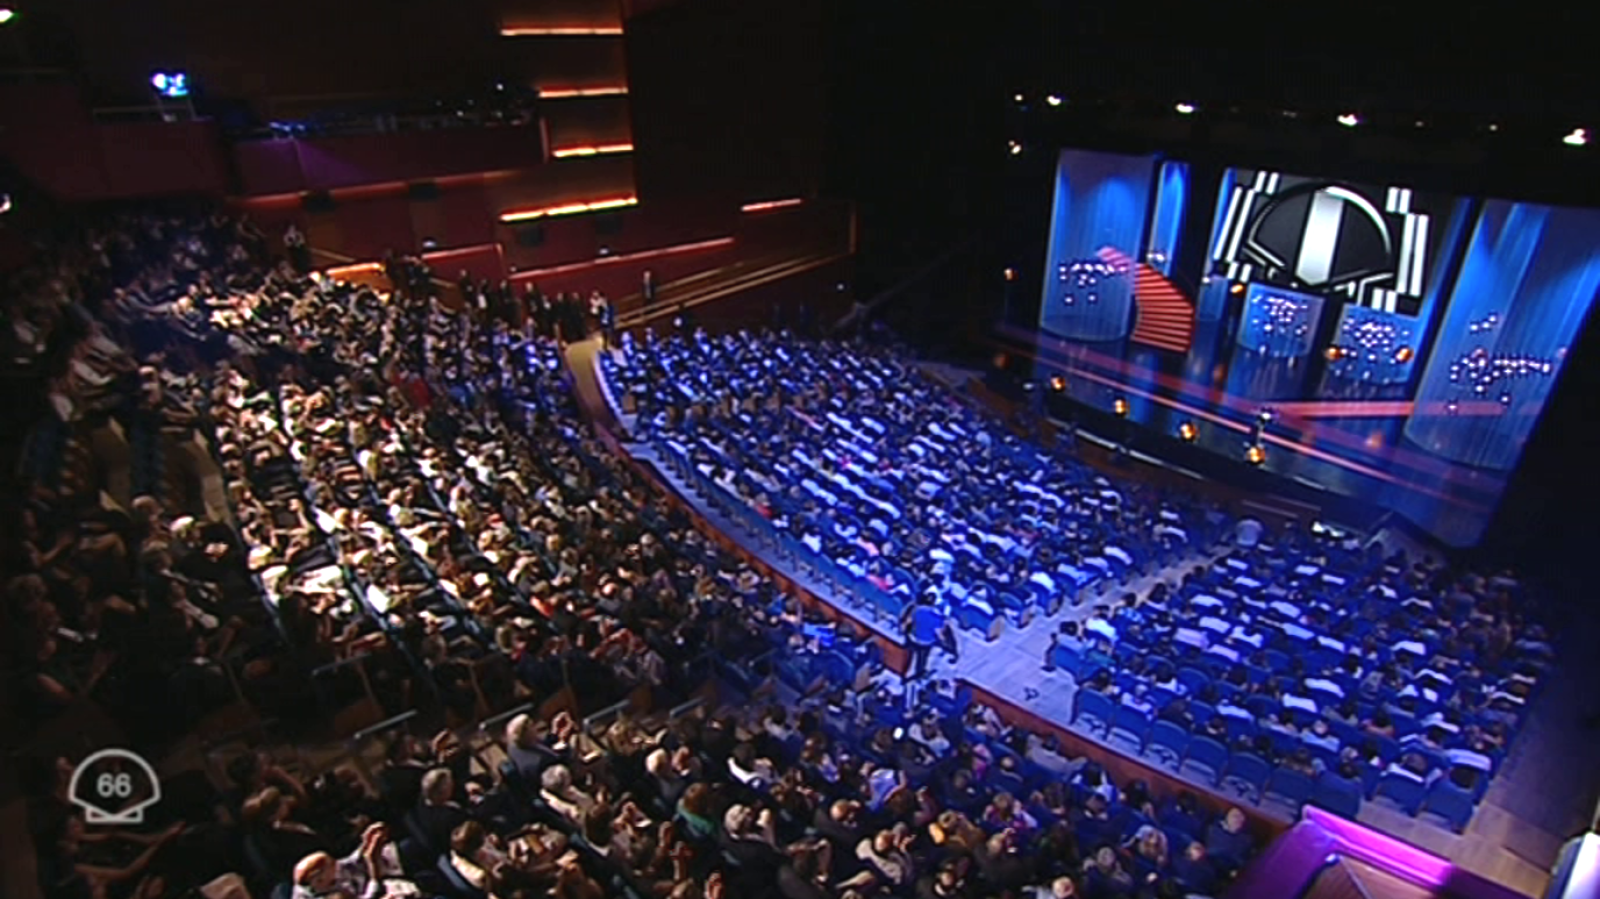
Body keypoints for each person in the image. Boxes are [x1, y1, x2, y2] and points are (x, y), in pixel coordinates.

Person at [901, 593, 945, 681]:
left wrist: (903, 631)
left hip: (913, 638)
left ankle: (908, 669)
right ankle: (919, 673)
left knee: (912, 651)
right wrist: (943, 639)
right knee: (923, 657)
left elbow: (907, 622)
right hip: (926, 642)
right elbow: (939, 634)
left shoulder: (917, 610)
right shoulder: (937, 618)